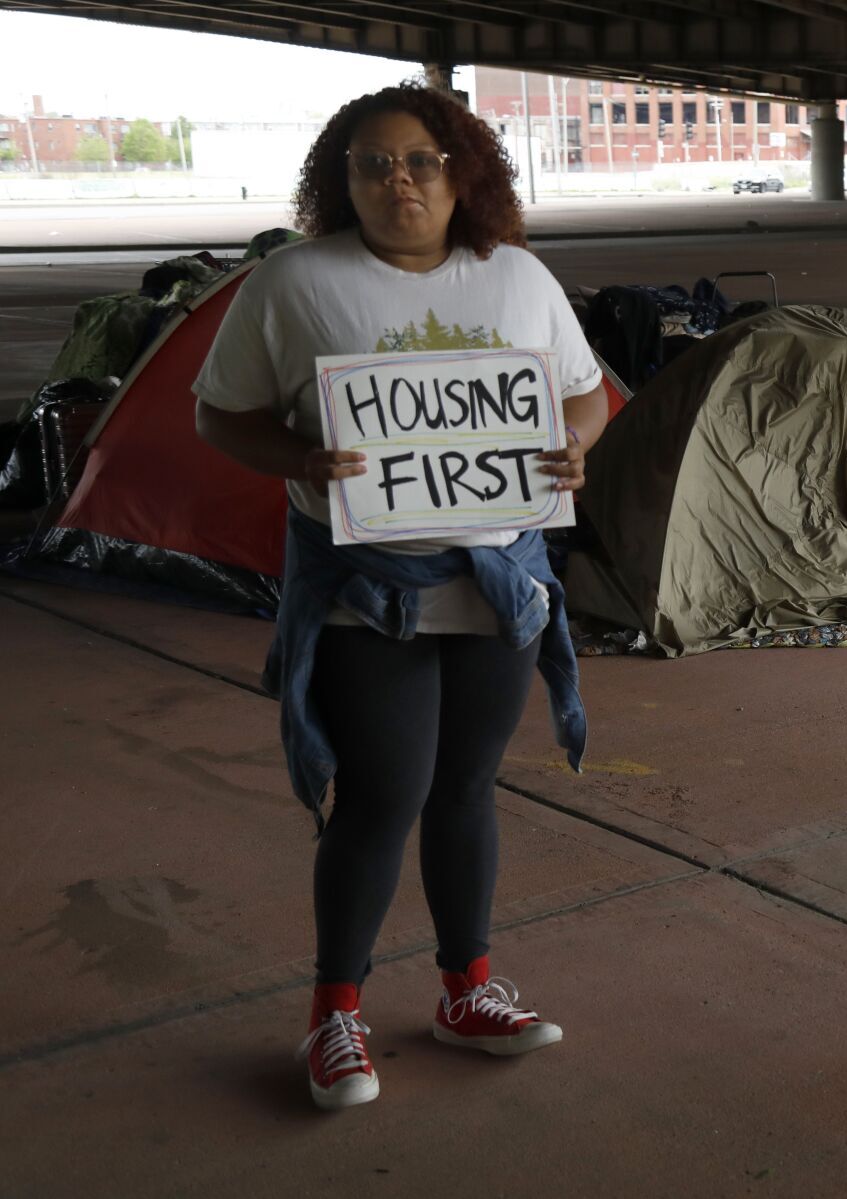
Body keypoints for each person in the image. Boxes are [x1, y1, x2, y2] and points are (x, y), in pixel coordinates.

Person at [193, 84, 608, 1111]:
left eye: (420, 159)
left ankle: (467, 986)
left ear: (462, 170)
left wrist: (577, 445)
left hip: (500, 577)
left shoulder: (516, 275)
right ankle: (335, 1010)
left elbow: (585, 390)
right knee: (384, 791)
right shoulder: (293, 283)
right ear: (341, 181)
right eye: (372, 163)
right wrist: (300, 455)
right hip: (365, 586)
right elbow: (219, 416)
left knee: (467, 785)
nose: (398, 181)